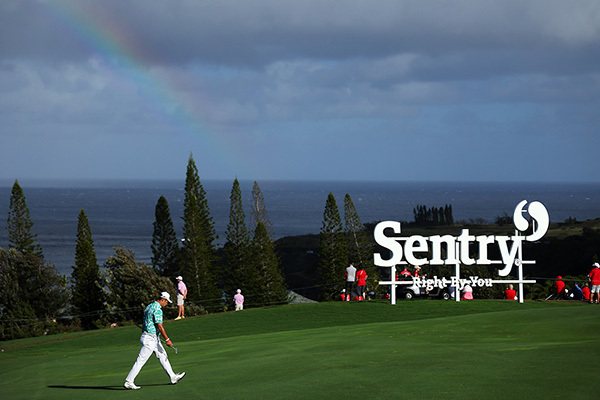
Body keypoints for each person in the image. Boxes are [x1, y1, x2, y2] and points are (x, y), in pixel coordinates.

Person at [124, 292, 186, 390]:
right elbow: (160, 326)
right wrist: (167, 339)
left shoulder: (149, 306)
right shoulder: (158, 309)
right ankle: (129, 382)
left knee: (162, 355)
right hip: (150, 339)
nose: (166, 304)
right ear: (162, 299)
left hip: (149, 336)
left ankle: (173, 377)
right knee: (141, 361)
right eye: (166, 302)